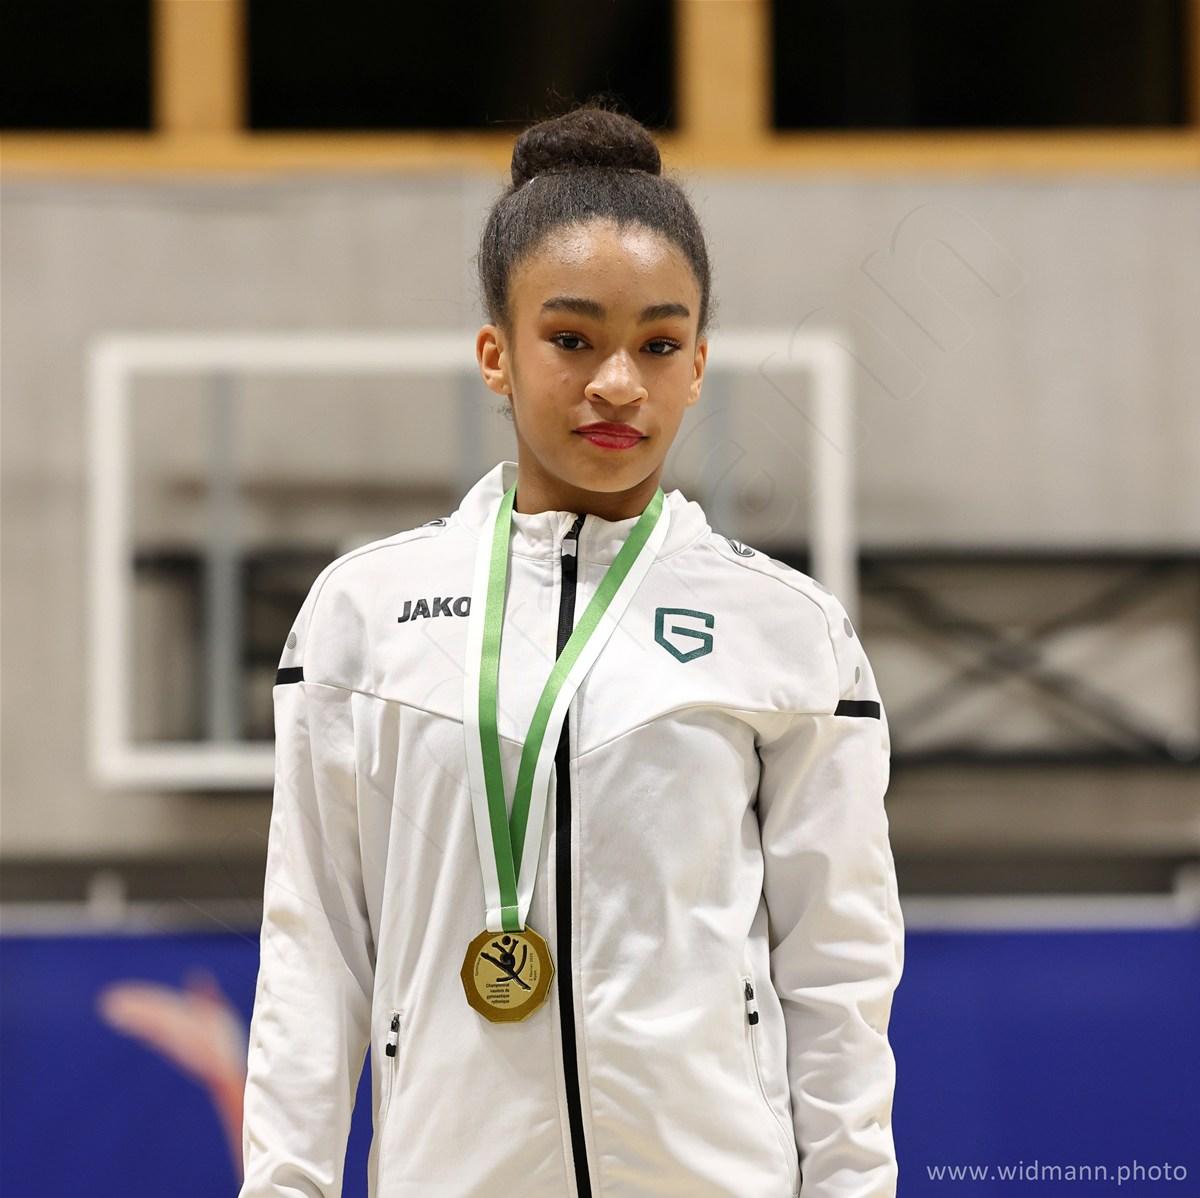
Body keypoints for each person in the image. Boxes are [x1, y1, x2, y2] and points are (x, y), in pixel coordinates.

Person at [239, 101, 904, 1198]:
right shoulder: (364, 614)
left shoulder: (787, 631)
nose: (618, 384)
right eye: (572, 339)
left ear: (699, 363)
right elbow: (314, 951)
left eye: (659, 344)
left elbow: (838, 975)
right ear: (496, 355)